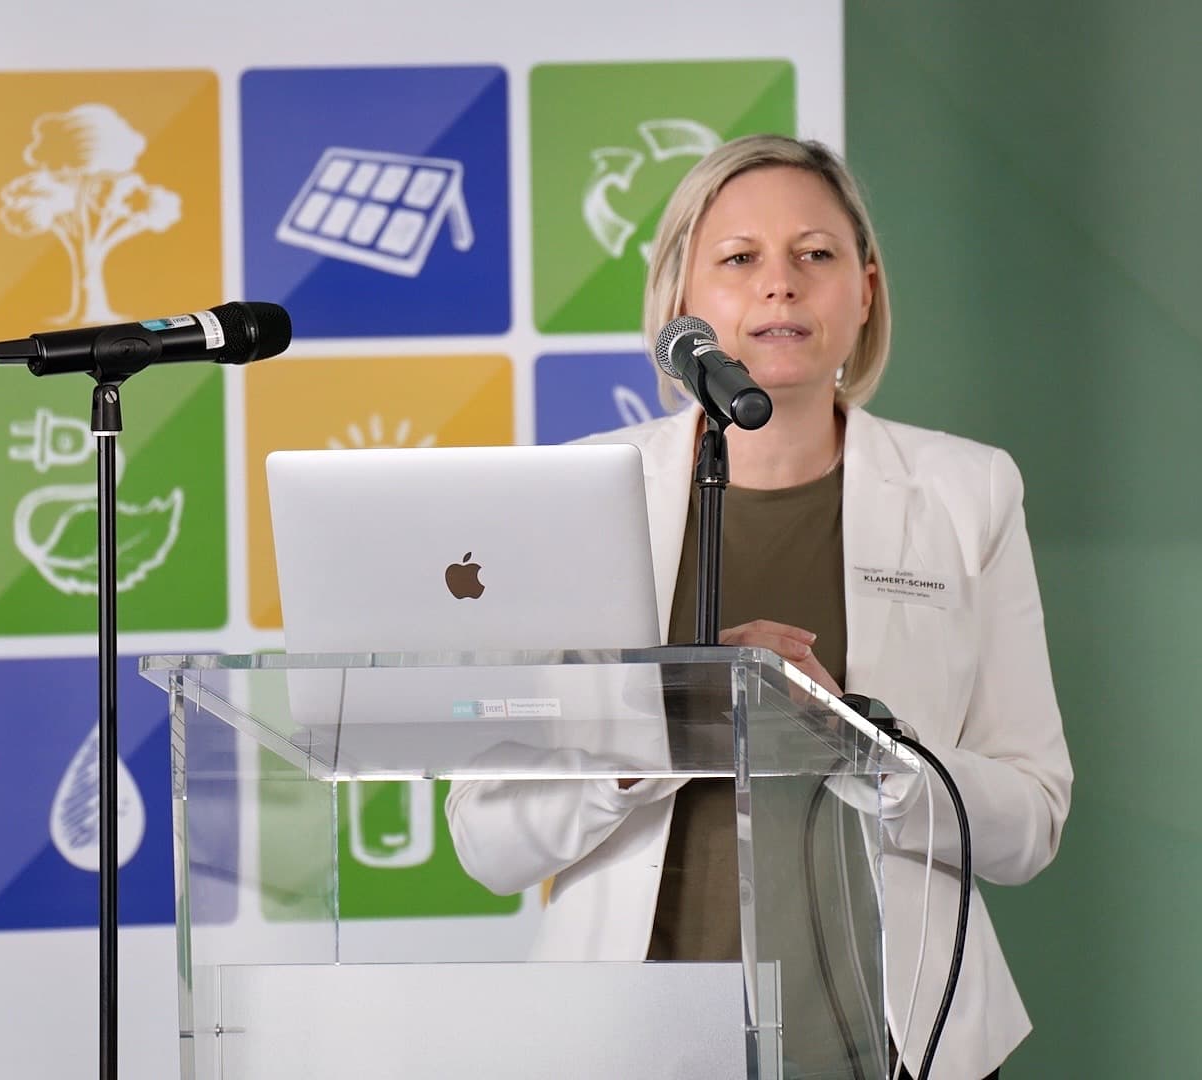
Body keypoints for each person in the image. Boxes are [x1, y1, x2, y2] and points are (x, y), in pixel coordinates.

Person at [448, 134, 1072, 1079]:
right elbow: (486, 838)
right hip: (633, 1045)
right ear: (680, 303)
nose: (780, 285)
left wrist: (865, 743)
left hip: (906, 1045)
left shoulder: (969, 492)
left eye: (815, 256)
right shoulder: (573, 493)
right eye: (739, 259)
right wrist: (669, 723)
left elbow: (1031, 821)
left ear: (864, 292)